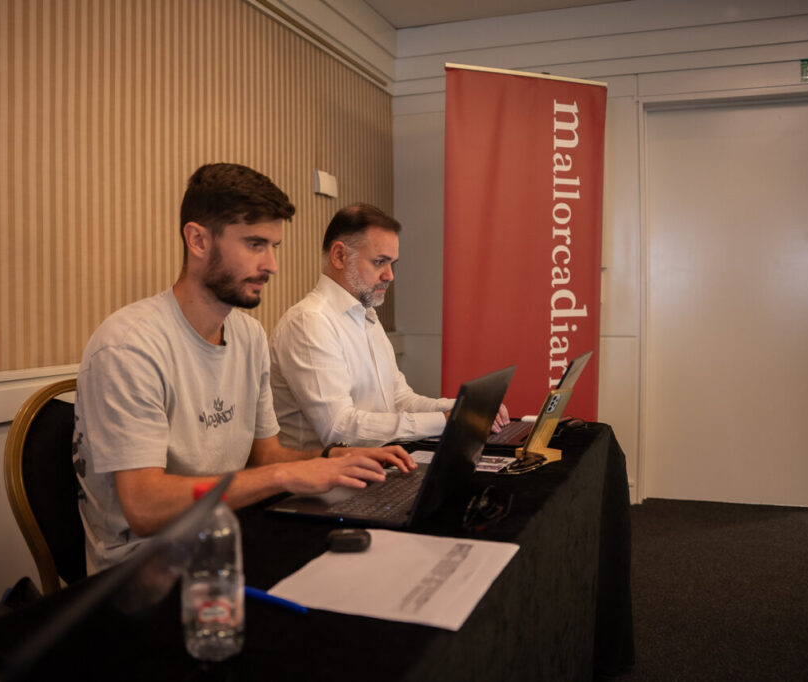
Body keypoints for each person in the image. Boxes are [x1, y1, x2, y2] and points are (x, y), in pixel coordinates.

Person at [73, 165, 414, 573]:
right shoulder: (129, 346)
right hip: (143, 569)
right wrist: (285, 476)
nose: (271, 264)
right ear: (198, 240)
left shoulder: (249, 335)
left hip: (225, 535)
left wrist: (335, 458)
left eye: (274, 246)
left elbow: (266, 454)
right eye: (255, 244)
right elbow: (145, 507)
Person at [269, 203, 508, 451]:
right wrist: (444, 422)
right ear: (339, 256)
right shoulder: (309, 322)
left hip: (372, 468)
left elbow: (399, 399)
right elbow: (339, 429)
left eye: (392, 263)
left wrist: (460, 410)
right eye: (379, 262)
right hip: (322, 486)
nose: (389, 275)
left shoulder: (366, 316)